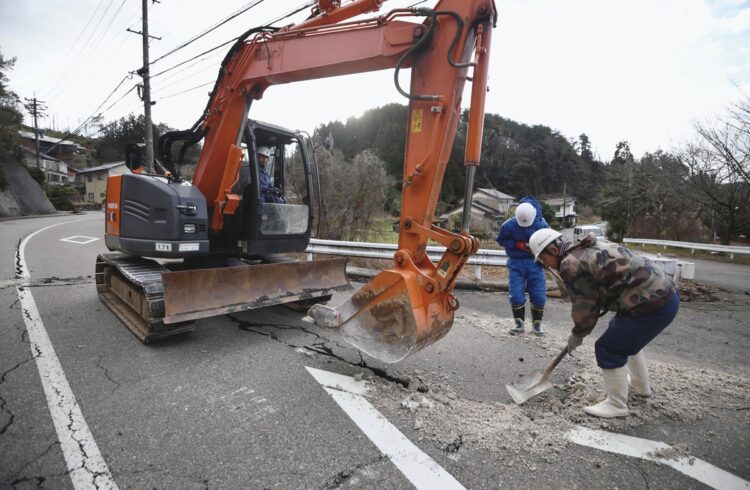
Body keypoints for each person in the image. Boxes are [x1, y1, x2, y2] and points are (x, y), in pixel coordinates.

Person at [528, 229, 680, 418]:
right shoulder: (585, 245)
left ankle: (616, 405)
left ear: (552, 250)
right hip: (665, 295)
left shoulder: (571, 263)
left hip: (651, 304)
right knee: (623, 338)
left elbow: (585, 308)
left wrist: (577, 334)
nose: (545, 266)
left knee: (609, 347)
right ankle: (640, 387)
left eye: (542, 260)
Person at [496, 197, 550, 336]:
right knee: (516, 294)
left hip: (535, 263)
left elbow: (549, 240)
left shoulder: (541, 224)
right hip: (516, 262)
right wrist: (516, 244)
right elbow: (501, 240)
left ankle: (537, 324)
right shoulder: (508, 225)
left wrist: (540, 249)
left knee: (539, 294)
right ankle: (519, 324)